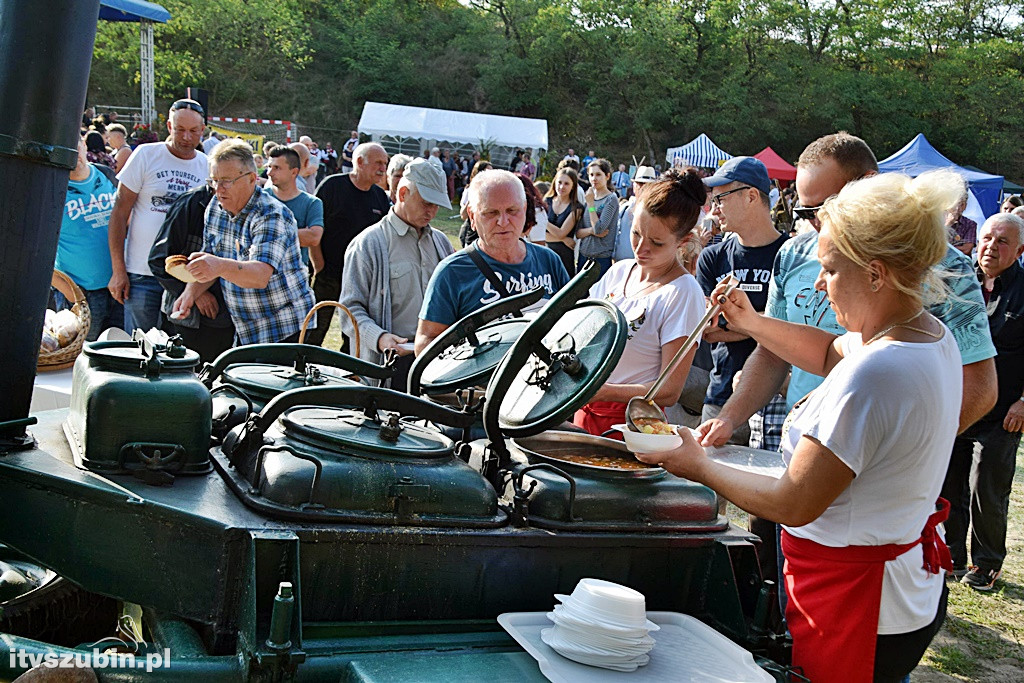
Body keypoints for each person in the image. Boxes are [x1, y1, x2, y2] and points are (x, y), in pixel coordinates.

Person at [639, 170, 968, 683]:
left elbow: (796, 501)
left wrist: (696, 464)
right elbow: (825, 349)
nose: (819, 283)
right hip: (895, 591)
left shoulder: (877, 373)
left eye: (831, 270)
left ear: (877, 273)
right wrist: (750, 322)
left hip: (858, 603)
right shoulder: (924, 334)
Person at [699, 132, 997, 450]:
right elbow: (783, 352)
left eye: (827, 207)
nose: (817, 222)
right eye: (805, 212)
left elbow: (979, 386)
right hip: (803, 444)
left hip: (877, 466)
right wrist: (729, 417)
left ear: (869, 182)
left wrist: (906, 453)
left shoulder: (933, 260)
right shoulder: (792, 254)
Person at [573, 168, 708, 436]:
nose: (641, 248)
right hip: (582, 411)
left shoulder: (682, 293)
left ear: (684, 241)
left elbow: (668, 390)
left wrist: (598, 390)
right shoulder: (619, 271)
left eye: (657, 243)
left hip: (630, 425)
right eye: (636, 234)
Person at [941, 213, 1024, 591]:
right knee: (949, 483)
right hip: (955, 404)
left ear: (1020, 250)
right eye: (987, 238)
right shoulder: (959, 280)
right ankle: (952, 555)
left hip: (1004, 411)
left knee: (987, 488)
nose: (991, 247)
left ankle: (987, 563)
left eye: (1003, 241)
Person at [171, 139, 313, 345]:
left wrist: (218, 265)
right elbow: (210, 260)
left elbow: (259, 276)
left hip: (286, 325)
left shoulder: (271, 214)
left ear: (252, 179)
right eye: (214, 181)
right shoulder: (215, 207)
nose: (219, 189)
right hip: (246, 326)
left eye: (226, 181)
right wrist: (189, 295)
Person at [416, 170, 570, 353]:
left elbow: (575, 321)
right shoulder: (452, 272)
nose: (503, 222)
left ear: (524, 209)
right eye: (491, 213)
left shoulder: (549, 260)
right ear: (472, 217)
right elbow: (425, 343)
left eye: (512, 211)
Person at [339, 160, 455, 390]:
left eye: (437, 205)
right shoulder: (368, 243)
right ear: (403, 193)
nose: (432, 211)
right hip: (386, 366)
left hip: (434, 362)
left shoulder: (441, 243)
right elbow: (349, 311)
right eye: (426, 203)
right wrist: (380, 338)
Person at [697, 157, 788, 445]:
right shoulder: (713, 256)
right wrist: (766, 322)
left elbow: (794, 329)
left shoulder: (790, 255)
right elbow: (707, 330)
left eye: (721, 199)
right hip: (721, 397)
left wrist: (735, 320)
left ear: (751, 196)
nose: (713, 210)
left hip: (776, 401)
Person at [108, 99, 208, 333]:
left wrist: (198, 285)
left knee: (176, 353)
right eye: (180, 129)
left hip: (182, 278)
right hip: (141, 275)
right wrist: (118, 270)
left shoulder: (206, 165)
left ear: (202, 131)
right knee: (139, 349)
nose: (186, 137)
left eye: (193, 131)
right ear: (169, 127)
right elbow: (119, 214)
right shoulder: (145, 155)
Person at [308, 142, 390, 347]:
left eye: (385, 164)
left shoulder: (380, 197)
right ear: (359, 162)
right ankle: (301, 369)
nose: (383, 169)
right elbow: (314, 227)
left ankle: (347, 373)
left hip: (361, 279)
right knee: (315, 329)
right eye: (378, 163)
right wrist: (319, 266)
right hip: (328, 273)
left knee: (354, 333)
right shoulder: (332, 186)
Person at [148, 183, 235, 363]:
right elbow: (159, 260)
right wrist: (194, 294)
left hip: (226, 317)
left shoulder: (246, 206)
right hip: (187, 319)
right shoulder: (191, 203)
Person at [54, 136, 123, 341]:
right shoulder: (52, 186)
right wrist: (71, 294)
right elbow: (36, 250)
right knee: (80, 362)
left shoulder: (106, 175)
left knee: (120, 356)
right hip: (81, 293)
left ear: (84, 145)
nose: (74, 154)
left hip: (119, 286)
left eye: (76, 145)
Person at [264, 146, 325, 279]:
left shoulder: (312, 203)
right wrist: (298, 234)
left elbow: (314, 238)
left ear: (294, 172)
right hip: (262, 275)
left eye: (277, 168)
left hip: (294, 279)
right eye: (269, 166)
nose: (269, 172)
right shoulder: (259, 200)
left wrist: (267, 233)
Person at [575, 158, 619, 275]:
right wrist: (591, 231)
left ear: (607, 176)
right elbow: (578, 233)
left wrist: (590, 205)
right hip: (584, 256)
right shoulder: (589, 196)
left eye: (598, 174)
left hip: (600, 259)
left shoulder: (611, 199)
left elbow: (599, 229)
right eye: (591, 175)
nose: (594, 178)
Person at [612, 165, 658, 262]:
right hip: (620, 265)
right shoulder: (624, 208)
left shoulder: (659, 213)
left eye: (648, 184)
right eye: (640, 183)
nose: (643, 188)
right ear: (634, 186)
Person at [544, 167, 582, 276]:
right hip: (546, 253)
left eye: (566, 184)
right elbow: (539, 234)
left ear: (573, 186)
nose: (561, 187)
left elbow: (561, 232)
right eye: (559, 182)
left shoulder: (576, 208)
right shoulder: (547, 201)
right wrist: (564, 239)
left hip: (564, 257)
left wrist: (544, 222)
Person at [458, 159, 493, 246]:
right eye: (487, 172)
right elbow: (463, 215)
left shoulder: (494, 191)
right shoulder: (469, 190)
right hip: (472, 233)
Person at [946, 189, 976, 256]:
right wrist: (948, 224)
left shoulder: (970, 224)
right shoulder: (939, 221)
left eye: (961, 204)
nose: (957, 208)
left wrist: (943, 249)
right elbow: (933, 244)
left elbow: (967, 249)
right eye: (954, 203)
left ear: (965, 206)